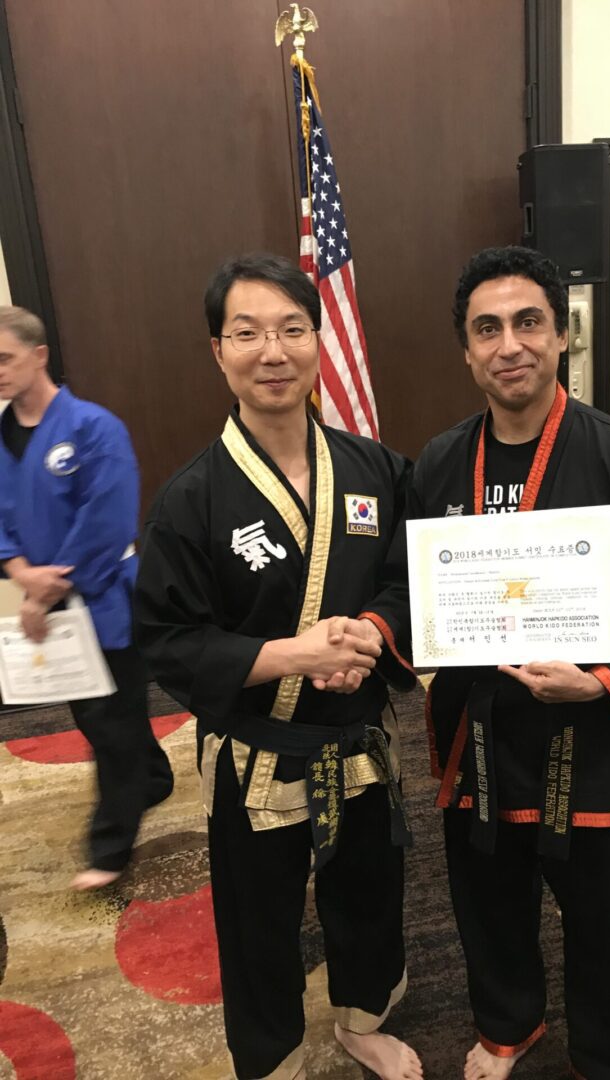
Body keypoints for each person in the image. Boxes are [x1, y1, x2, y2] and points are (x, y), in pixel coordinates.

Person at [408, 247, 610, 1080]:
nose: (508, 344)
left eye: (527, 323)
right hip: (479, 734)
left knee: (601, 923)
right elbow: (412, 595)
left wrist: (603, 680)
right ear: (466, 350)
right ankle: (508, 1024)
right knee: (488, 901)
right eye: (487, 329)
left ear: (560, 337)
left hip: (589, 739)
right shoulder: (438, 465)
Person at [133, 254, 422, 1080]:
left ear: (318, 340)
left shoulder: (374, 470)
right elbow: (166, 636)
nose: (274, 351)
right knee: (258, 922)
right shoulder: (191, 499)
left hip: (359, 739)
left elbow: (410, 577)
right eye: (248, 332)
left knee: (369, 894)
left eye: (293, 329)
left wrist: (369, 632)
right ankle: (270, 1058)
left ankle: (363, 1019)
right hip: (258, 753)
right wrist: (294, 655)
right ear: (217, 351)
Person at [0, 305, 173, 891]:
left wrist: (53, 583)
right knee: (98, 714)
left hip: (103, 598)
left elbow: (108, 517)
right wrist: (25, 573)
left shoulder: (93, 428)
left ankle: (110, 848)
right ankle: (152, 777)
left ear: (39, 355)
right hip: (45, 599)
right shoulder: (0, 438)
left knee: (111, 722)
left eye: (4, 358)